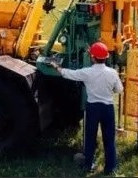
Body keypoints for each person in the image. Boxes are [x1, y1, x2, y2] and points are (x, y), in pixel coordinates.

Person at [49, 41, 124, 175]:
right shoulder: (112, 73)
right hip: (107, 109)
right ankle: (110, 168)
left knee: (90, 137)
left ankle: (88, 164)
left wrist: (57, 67)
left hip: (93, 109)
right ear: (106, 57)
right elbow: (119, 89)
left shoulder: (87, 73)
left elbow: (69, 74)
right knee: (109, 139)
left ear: (92, 57)